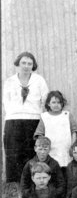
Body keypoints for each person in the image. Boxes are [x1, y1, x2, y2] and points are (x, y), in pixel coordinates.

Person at [3, 52, 49, 188]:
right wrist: (15, 113)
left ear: (33, 65)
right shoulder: (10, 81)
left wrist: (38, 116)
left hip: (33, 121)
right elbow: (6, 102)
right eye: (23, 63)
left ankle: (34, 191)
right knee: (15, 158)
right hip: (13, 121)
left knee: (32, 156)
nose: (26, 66)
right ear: (18, 64)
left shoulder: (39, 80)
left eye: (29, 63)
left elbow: (45, 100)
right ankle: (21, 195)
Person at [34, 90, 77, 168]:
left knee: (66, 168)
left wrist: (73, 146)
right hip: (51, 150)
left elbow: (74, 131)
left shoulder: (67, 115)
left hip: (66, 149)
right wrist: (45, 147)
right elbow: (39, 134)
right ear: (48, 103)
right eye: (54, 102)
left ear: (62, 104)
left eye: (59, 102)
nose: (56, 105)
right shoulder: (44, 116)